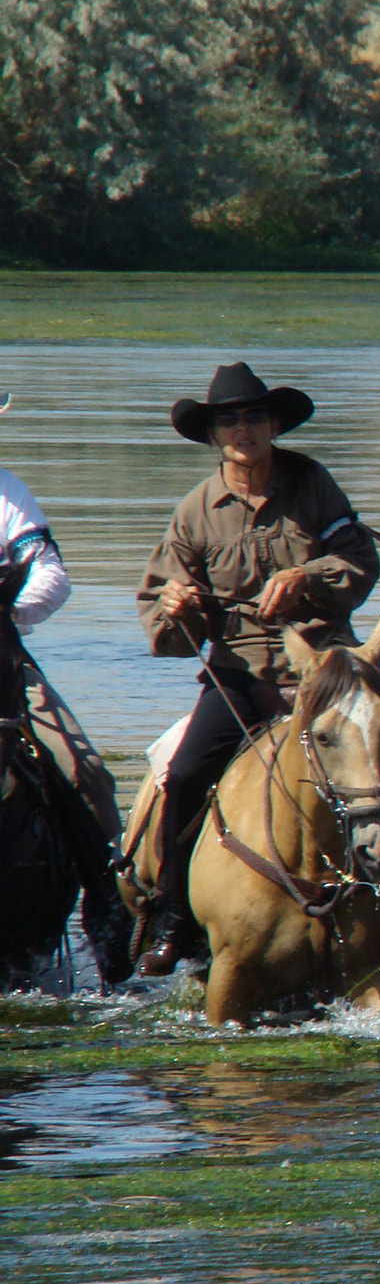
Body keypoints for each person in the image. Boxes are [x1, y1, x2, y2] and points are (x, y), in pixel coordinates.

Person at [133, 363, 380, 976]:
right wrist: (175, 606)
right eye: (230, 420)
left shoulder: (313, 484)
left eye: (255, 416)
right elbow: (163, 629)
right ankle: (173, 919)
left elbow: (360, 562)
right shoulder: (193, 513)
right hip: (243, 673)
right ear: (214, 435)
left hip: (330, 667)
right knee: (184, 776)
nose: (244, 428)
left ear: (273, 425)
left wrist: (306, 576)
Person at [1, 399, 132, 980]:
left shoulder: (7, 495)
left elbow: (50, 574)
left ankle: (110, 924)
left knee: (86, 775)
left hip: (1, 655)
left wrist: (8, 610)